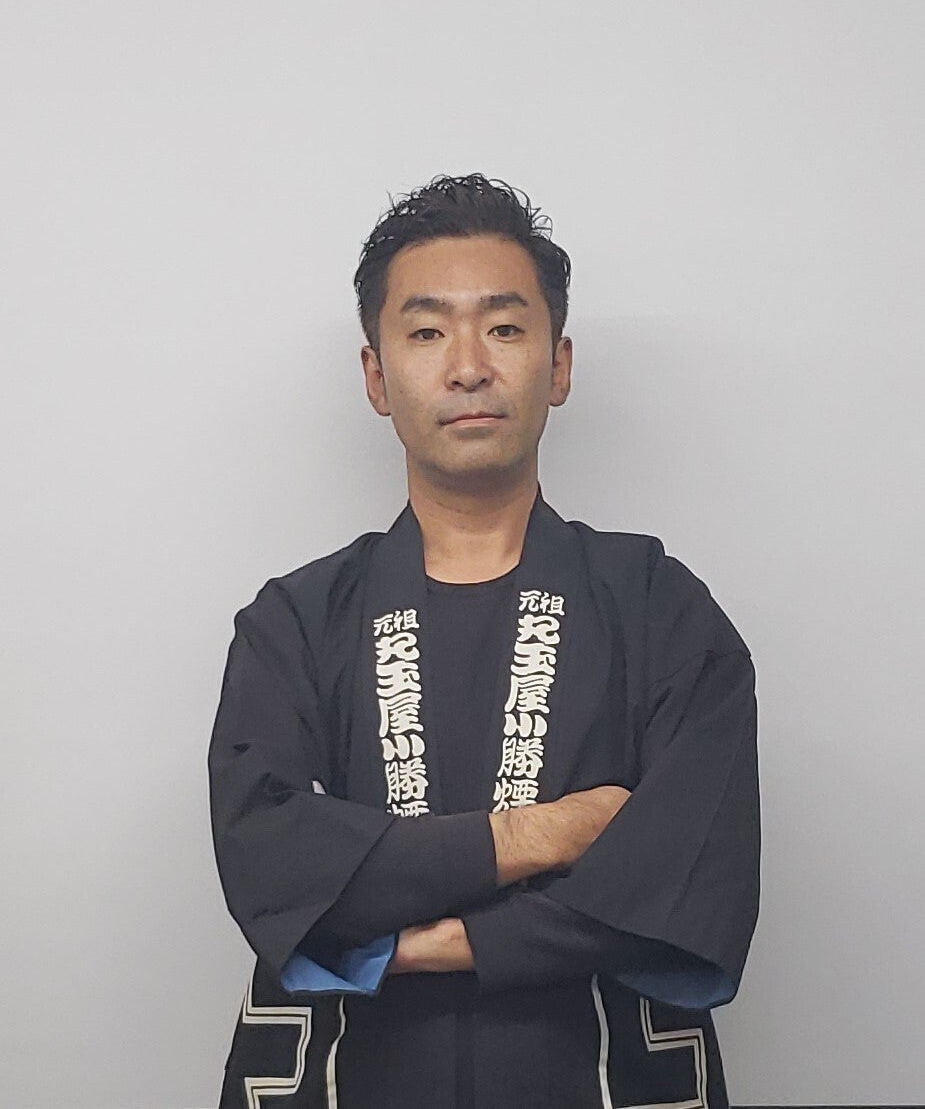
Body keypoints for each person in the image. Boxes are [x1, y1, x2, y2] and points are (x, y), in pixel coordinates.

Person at [207, 173, 760, 1109]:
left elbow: (687, 877)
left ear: (558, 365)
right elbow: (268, 857)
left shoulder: (657, 606)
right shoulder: (295, 621)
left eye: (503, 327)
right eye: (426, 333)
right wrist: (546, 832)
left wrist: (416, 940)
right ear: (376, 377)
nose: (467, 365)